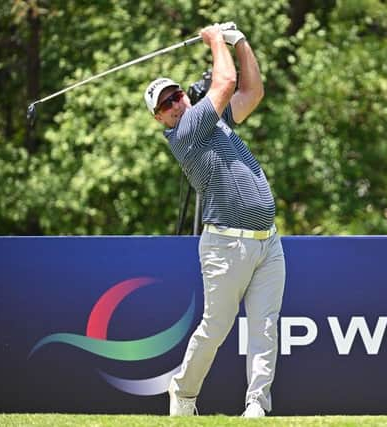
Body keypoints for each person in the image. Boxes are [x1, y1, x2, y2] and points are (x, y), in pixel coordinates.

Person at [143, 23, 286, 418]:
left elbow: (251, 92)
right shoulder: (186, 131)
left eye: (176, 95)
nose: (174, 104)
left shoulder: (213, 121)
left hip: (267, 241)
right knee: (216, 328)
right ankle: (183, 393)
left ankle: (257, 405)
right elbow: (223, 82)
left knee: (265, 328)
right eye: (165, 104)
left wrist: (240, 42)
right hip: (226, 244)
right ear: (160, 119)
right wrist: (214, 40)